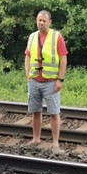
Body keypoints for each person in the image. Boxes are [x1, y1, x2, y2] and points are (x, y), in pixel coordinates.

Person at [25, 10, 68, 154]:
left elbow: (63, 58)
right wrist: (28, 75)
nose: (41, 23)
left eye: (44, 20)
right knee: (35, 111)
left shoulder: (56, 36)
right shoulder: (32, 37)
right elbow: (28, 56)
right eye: (39, 20)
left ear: (50, 22)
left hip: (51, 82)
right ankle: (36, 139)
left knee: (54, 112)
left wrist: (60, 79)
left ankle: (55, 143)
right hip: (35, 80)